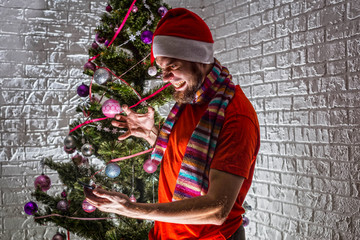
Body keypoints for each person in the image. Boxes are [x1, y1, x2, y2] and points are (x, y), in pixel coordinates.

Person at [85, 8, 260, 240]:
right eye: (162, 69)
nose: (165, 77)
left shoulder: (235, 115)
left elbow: (218, 209)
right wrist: (152, 134)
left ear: (199, 58)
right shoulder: (192, 101)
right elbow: (185, 158)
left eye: (173, 66)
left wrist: (132, 209)